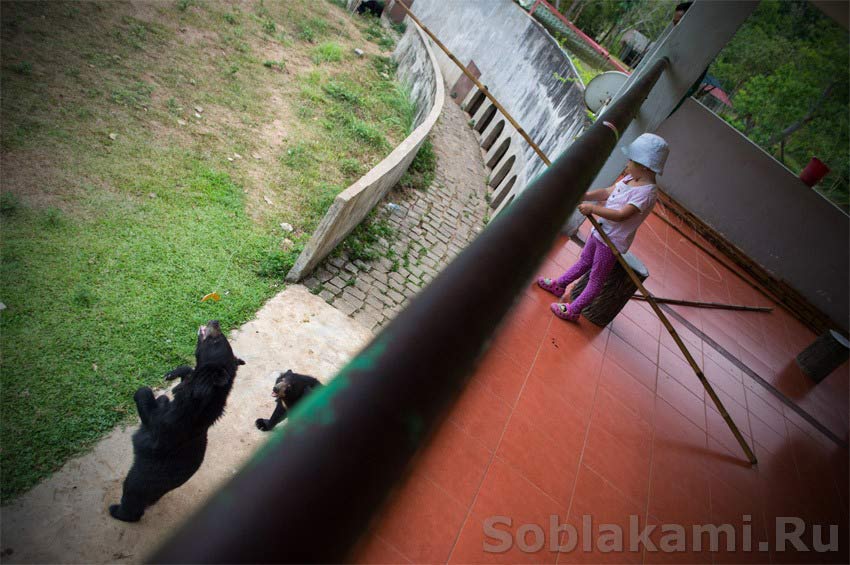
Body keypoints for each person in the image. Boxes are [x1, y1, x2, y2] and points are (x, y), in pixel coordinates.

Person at [537, 133, 669, 322]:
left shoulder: (647, 193)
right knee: (584, 261)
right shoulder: (630, 178)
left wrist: (594, 209)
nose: (628, 163)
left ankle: (574, 310)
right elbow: (608, 192)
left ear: (645, 165)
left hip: (611, 242)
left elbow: (623, 215)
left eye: (632, 160)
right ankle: (560, 284)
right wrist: (587, 196)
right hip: (599, 231)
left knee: (596, 280)